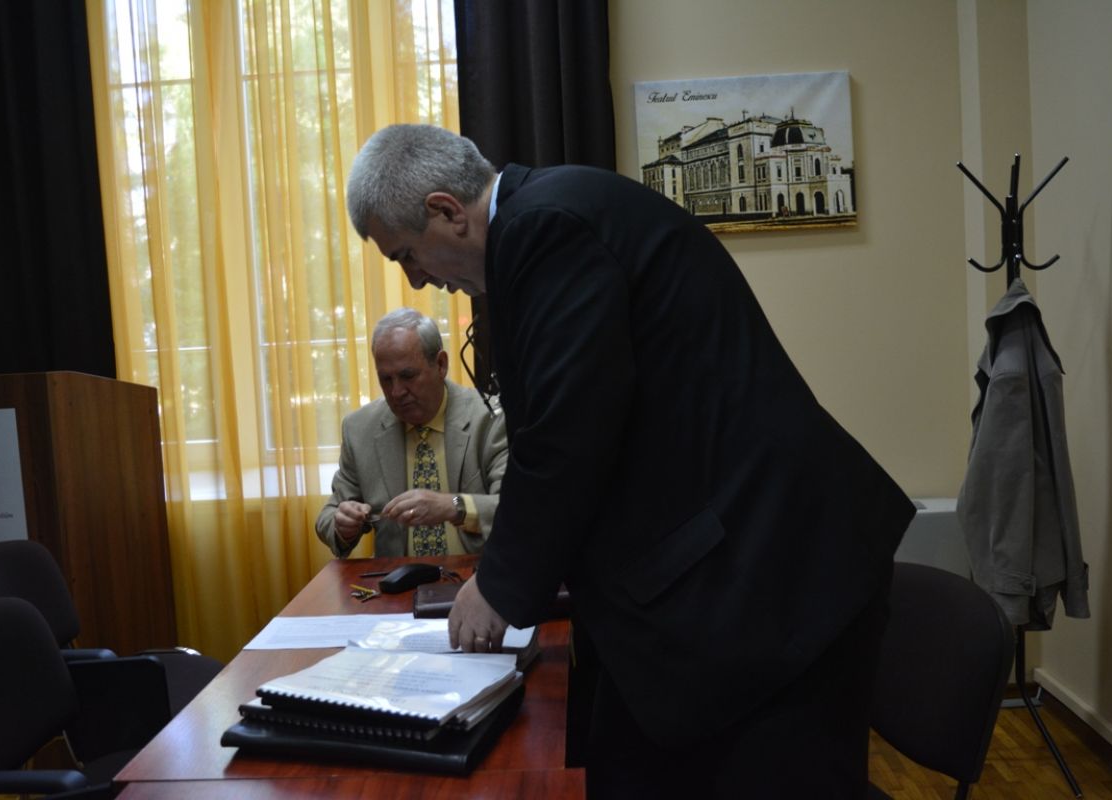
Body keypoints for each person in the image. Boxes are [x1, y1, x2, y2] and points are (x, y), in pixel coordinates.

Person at [345, 124, 916, 797]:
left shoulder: (543, 228)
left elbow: (567, 433)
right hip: (735, 578)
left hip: (777, 582)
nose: (417, 278)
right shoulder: (551, 213)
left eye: (407, 254)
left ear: (446, 210)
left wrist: (498, 587)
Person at [314, 307, 508, 558]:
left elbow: (518, 509)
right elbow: (328, 516)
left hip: (477, 573)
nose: (396, 392)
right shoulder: (360, 429)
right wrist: (343, 524)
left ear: (441, 364)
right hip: (397, 578)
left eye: (407, 376)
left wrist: (452, 506)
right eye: (386, 379)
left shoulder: (489, 419)